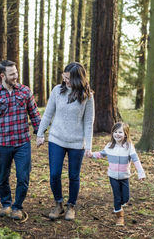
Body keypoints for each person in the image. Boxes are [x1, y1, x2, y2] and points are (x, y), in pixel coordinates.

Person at [36, 62, 94, 221]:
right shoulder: (57, 91)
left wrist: (88, 146)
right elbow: (47, 114)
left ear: (77, 78)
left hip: (76, 143)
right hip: (56, 139)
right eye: (64, 76)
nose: (65, 80)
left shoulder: (87, 95)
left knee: (74, 176)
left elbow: (89, 122)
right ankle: (58, 204)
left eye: (68, 78)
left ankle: (71, 206)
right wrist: (40, 134)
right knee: (54, 174)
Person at [0, 60, 41, 220]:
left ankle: (17, 207)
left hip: (23, 143)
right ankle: (6, 204)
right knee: (2, 177)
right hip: (3, 145)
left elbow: (34, 114)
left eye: (16, 73)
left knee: (23, 177)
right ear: (3, 76)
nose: (15, 76)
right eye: (12, 74)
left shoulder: (25, 91)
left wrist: (39, 133)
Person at [86, 122, 146, 226]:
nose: (117, 134)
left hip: (124, 176)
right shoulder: (109, 146)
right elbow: (101, 154)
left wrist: (141, 173)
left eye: (120, 132)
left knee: (125, 198)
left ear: (126, 134)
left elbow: (135, 160)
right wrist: (92, 155)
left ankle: (120, 206)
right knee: (117, 197)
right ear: (112, 133)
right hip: (112, 176)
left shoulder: (129, 146)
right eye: (115, 132)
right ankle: (119, 216)